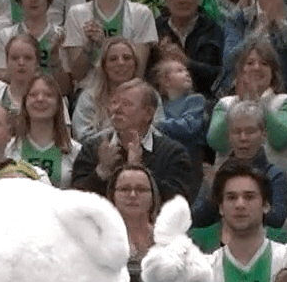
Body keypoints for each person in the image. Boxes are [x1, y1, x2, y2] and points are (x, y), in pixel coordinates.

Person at [68, 79, 200, 202]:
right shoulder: (93, 148)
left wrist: (139, 170)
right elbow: (77, 200)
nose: (117, 109)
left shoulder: (173, 153)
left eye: (127, 104)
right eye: (114, 102)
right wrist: (101, 172)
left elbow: (176, 203)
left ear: (148, 113)